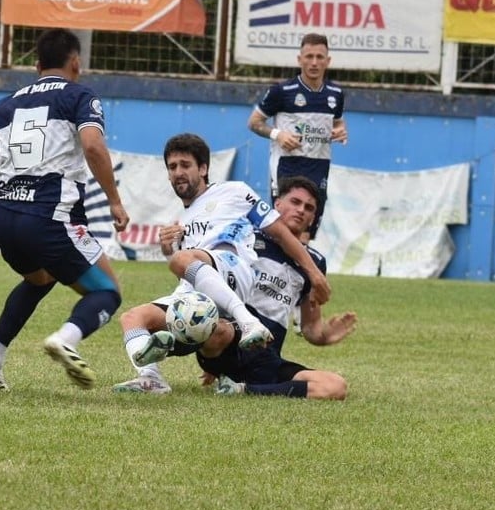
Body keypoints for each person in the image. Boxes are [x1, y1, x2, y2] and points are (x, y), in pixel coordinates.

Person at [0, 28, 129, 392]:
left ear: (36, 65)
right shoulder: (80, 95)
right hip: (49, 216)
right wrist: (114, 200)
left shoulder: (7, 104)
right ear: (75, 62)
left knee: (40, 278)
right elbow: (92, 146)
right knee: (107, 292)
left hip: (5, 217)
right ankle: (66, 339)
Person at [111, 133, 331, 394]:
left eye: (185, 165)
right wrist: (168, 249)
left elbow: (281, 233)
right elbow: (189, 271)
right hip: (198, 291)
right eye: (172, 167)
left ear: (203, 168)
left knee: (184, 259)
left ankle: (247, 321)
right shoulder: (183, 219)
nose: (178, 172)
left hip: (233, 268)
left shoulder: (234, 192)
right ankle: (151, 378)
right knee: (132, 318)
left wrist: (314, 274)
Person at [130, 176, 356, 399]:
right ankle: (166, 356)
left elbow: (310, 328)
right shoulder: (246, 238)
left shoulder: (315, 262)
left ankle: (240, 389)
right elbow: (206, 267)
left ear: (313, 218)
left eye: (309, 208)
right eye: (295, 202)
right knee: (216, 329)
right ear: (276, 205)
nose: (301, 210)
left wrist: (324, 336)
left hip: (266, 357)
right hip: (227, 337)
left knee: (335, 387)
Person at [247, 32, 348, 242]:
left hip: (319, 166)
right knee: (284, 228)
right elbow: (254, 122)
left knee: (306, 232)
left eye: (319, 57)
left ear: (327, 61)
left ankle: (297, 275)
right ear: (299, 59)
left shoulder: (335, 94)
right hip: (287, 165)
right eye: (309, 56)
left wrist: (340, 132)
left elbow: (337, 123)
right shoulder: (282, 91)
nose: (314, 62)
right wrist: (278, 134)